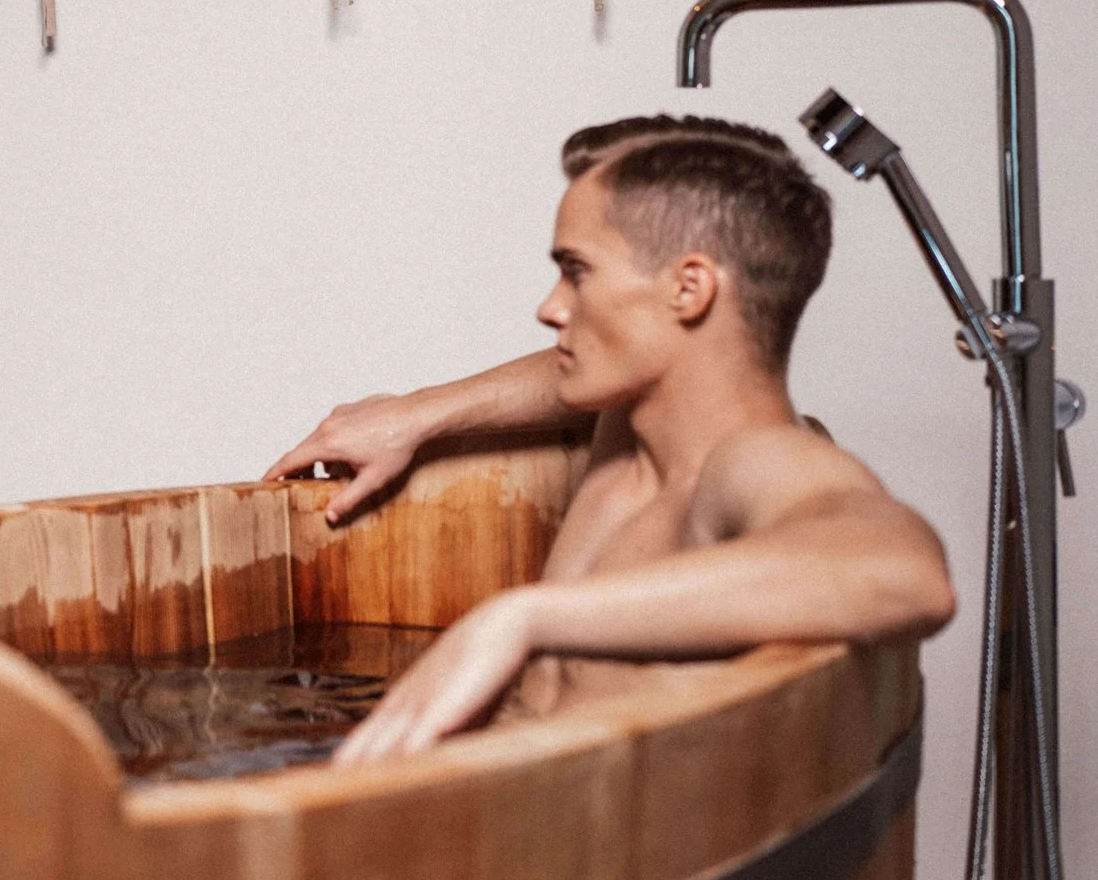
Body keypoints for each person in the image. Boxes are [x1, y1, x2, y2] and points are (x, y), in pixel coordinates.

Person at [264, 116, 956, 765]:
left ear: (689, 288)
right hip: (509, 799)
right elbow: (574, 368)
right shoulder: (631, 430)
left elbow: (907, 575)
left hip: (595, 838)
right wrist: (417, 416)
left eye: (577, 271)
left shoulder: (753, 460)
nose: (550, 307)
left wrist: (517, 619)